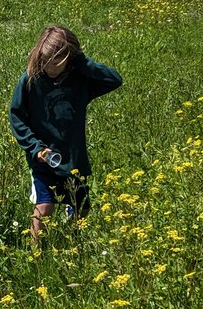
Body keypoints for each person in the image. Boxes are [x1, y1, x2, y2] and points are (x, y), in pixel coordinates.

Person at [9, 25, 122, 241]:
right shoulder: (31, 80)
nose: (49, 67)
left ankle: (72, 240)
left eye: (55, 63)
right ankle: (34, 252)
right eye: (44, 61)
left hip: (73, 157)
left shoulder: (80, 81)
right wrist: (35, 147)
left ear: (69, 59)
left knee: (82, 206)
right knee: (45, 206)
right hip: (43, 156)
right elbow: (16, 116)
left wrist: (81, 61)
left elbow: (114, 80)